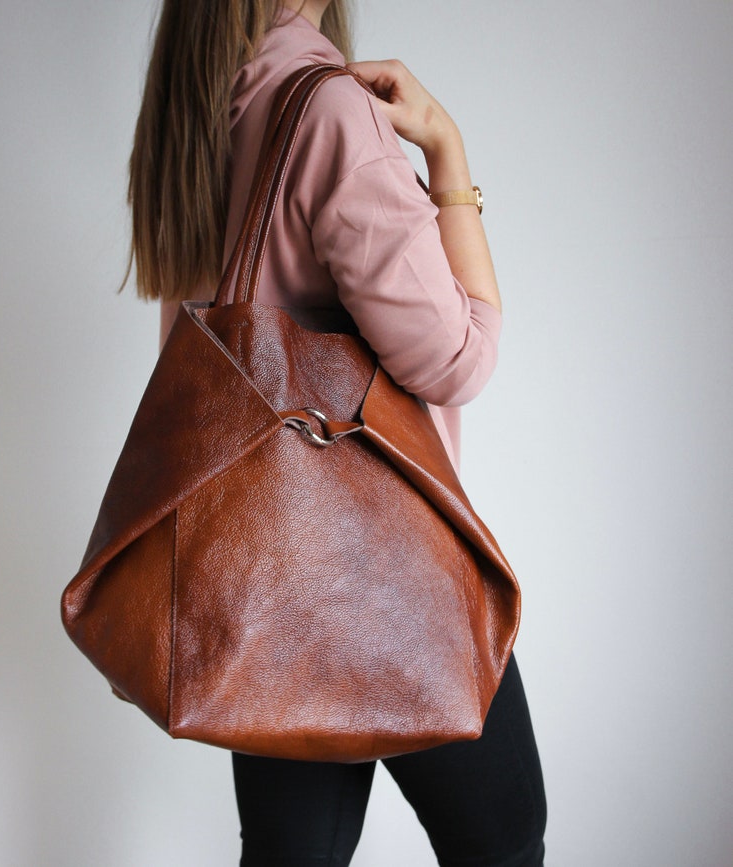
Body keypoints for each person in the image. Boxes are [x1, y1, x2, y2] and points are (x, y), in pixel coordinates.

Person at [120, 1, 547, 864]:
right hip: (388, 571)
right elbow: (458, 358)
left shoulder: (198, 107)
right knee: (502, 835)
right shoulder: (327, 108)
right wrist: (448, 152)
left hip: (264, 569)